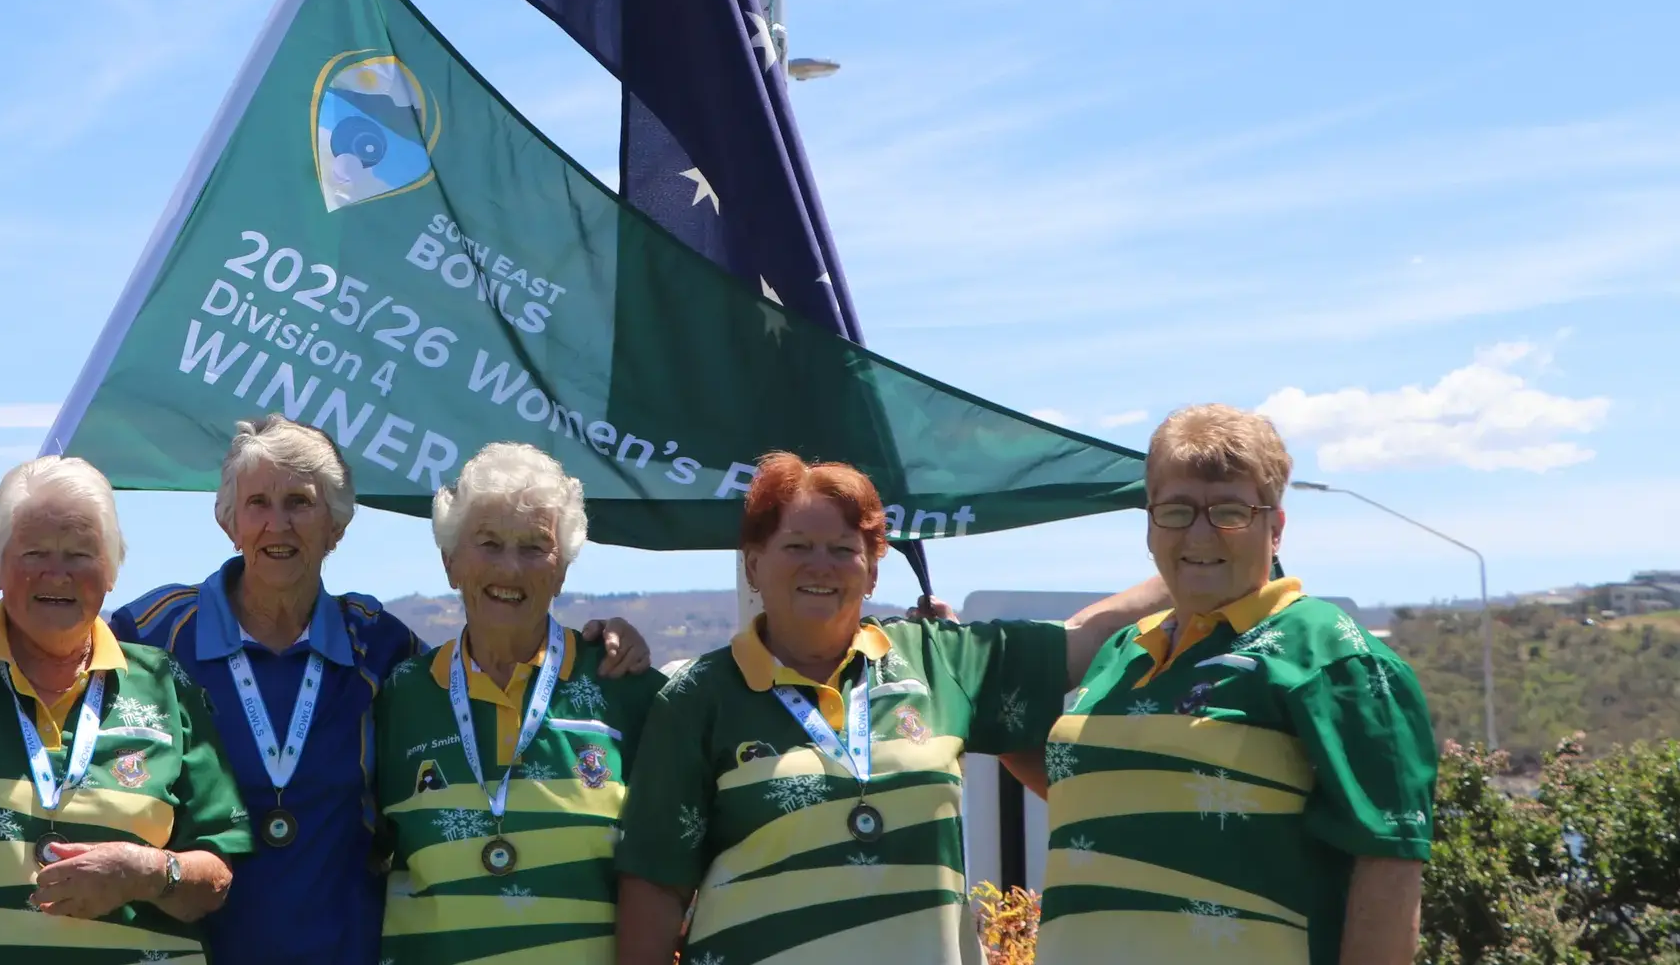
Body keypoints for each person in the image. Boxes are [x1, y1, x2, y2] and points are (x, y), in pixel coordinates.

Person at [111, 416, 661, 965]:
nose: (278, 525)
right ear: (228, 521)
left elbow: (490, 661)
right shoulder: (152, 634)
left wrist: (611, 639)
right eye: (258, 503)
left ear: (338, 527)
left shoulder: (378, 646)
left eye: (301, 502)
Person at [613, 454, 1166, 964]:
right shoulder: (696, 696)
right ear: (754, 564)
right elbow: (655, 887)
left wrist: (1218, 556)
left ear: (873, 569)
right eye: (797, 546)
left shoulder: (937, 658)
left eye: (844, 549)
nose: (821, 566)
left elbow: (1088, 634)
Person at [1036, 406, 1435, 965]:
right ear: (1150, 524)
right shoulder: (1122, 652)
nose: (1200, 534)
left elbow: (1390, 866)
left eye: (1229, 510)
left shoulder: (1334, 656)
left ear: (1275, 528)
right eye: (1176, 511)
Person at [0, 455, 248, 962]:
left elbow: (218, 874)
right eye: (34, 552)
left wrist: (148, 872)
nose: (57, 573)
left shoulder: (163, 682)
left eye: (80, 554)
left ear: (111, 571)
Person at [373, 442, 666, 965]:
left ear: (562, 569)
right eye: (489, 542)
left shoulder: (625, 689)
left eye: (535, 546)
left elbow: (674, 869)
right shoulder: (399, 697)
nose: (510, 569)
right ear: (450, 563)